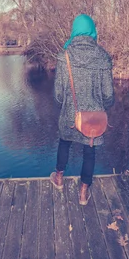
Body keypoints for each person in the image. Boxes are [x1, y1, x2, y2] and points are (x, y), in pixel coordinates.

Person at [50, 14, 114, 205]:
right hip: (94, 116)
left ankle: (59, 178)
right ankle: (83, 193)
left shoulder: (65, 56)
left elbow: (58, 95)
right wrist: (104, 105)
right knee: (90, 150)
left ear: (74, 30)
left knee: (64, 142)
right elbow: (108, 94)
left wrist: (66, 103)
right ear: (92, 30)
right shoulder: (103, 57)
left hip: (71, 113)